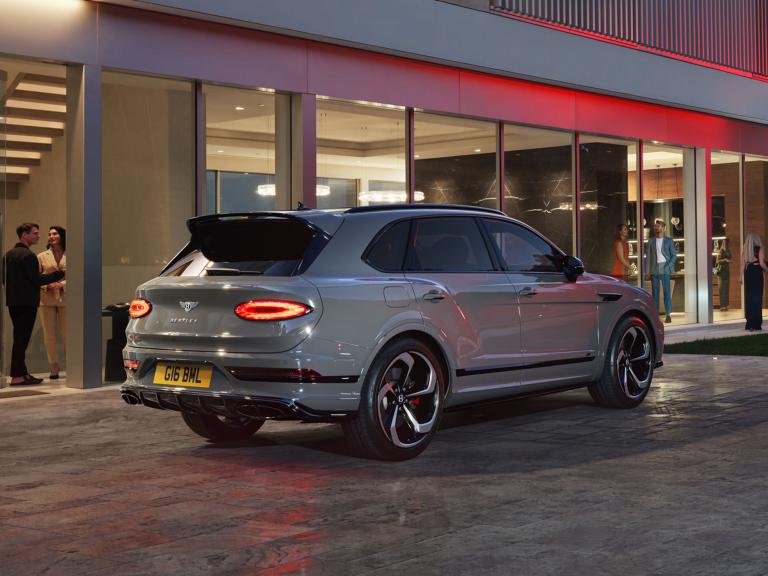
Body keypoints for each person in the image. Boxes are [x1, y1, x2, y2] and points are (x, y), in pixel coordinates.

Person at [4, 223, 65, 385]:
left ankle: (21, 373)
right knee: (22, 340)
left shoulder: (8, 254)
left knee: (20, 339)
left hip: (13, 302)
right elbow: (37, 280)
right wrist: (58, 274)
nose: (38, 236)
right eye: (35, 233)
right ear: (24, 235)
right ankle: (17, 375)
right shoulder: (29, 256)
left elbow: (4, 279)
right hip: (27, 303)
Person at [38, 226, 66, 379]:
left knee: (68, 334)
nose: (51, 236)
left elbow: (76, 273)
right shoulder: (41, 256)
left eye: (54, 233)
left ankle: (73, 365)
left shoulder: (71, 254)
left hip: (66, 299)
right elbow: (35, 277)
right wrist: (46, 284)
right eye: (49, 234)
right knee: (49, 335)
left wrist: (63, 284)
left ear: (61, 235)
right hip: (46, 299)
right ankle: (54, 367)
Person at [645, 218, 676, 324]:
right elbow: (648, 256)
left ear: (663, 228)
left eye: (658, 226)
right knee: (655, 293)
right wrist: (647, 271)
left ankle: (668, 314)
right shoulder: (651, 241)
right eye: (655, 226)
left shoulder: (669, 240)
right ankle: (655, 315)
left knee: (667, 292)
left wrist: (668, 266)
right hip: (654, 268)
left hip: (665, 267)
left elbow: (674, 256)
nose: (656, 228)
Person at [742, 232, 768, 331]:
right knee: (757, 298)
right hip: (757, 274)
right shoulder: (760, 249)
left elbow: (742, 265)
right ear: (757, 240)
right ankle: (756, 324)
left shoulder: (745, 250)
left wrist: (740, 277)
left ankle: (749, 323)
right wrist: (766, 269)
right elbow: (761, 263)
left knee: (749, 299)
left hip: (748, 273)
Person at [716, 237, 732, 311]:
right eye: (725, 242)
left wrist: (729, 261)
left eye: (727, 242)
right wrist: (725, 260)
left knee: (726, 288)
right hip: (722, 271)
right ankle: (722, 305)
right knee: (722, 288)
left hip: (727, 270)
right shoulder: (721, 251)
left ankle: (726, 305)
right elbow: (717, 261)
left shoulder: (728, 250)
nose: (726, 244)